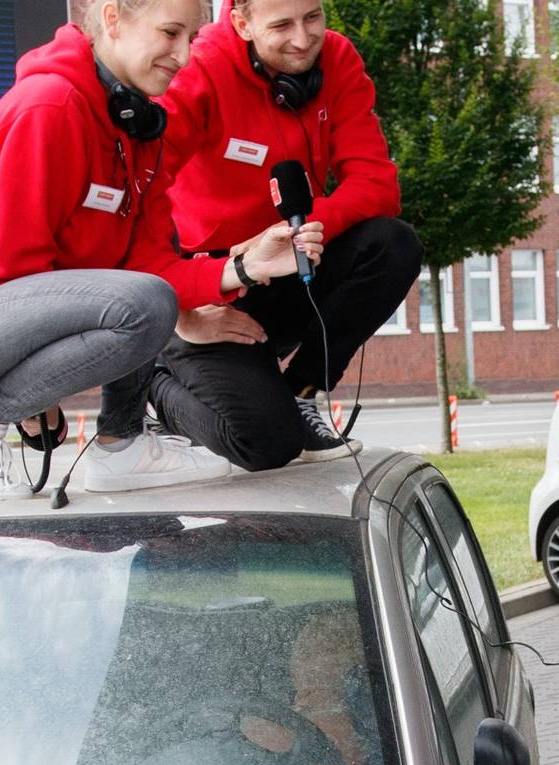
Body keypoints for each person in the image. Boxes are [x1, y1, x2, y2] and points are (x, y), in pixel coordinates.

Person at [0, 0, 327, 500]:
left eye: (193, 38)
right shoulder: (50, 106)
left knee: (142, 293)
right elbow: (13, 270)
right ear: (113, 19)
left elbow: (147, 264)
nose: (184, 55)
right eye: (171, 33)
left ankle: (120, 443)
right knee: (141, 302)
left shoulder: (139, 125)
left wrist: (242, 267)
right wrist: (24, 401)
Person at [100, 0, 422, 472]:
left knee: (393, 244)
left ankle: (305, 392)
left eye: (313, 18)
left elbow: (376, 185)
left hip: (286, 262)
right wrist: (183, 309)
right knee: (267, 445)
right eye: (282, 25)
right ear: (241, 23)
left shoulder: (338, 59)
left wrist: (295, 237)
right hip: (212, 290)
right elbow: (139, 194)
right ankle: (157, 384)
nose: (302, 38)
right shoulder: (201, 68)